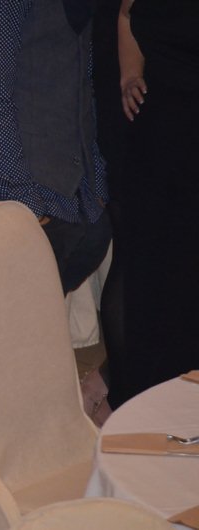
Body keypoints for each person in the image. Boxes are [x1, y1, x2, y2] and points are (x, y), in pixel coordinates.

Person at [0, 0, 112, 294]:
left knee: (40, 321)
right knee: (8, 319)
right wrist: (26, 207)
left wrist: (96, 189)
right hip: (13, 195)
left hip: (76, 199)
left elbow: (85, 79)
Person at [106, 0, 199, 407]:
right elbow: (127, 14)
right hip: (154, 139)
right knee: (147, 273)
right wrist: (130, 74)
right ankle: (140, 406)